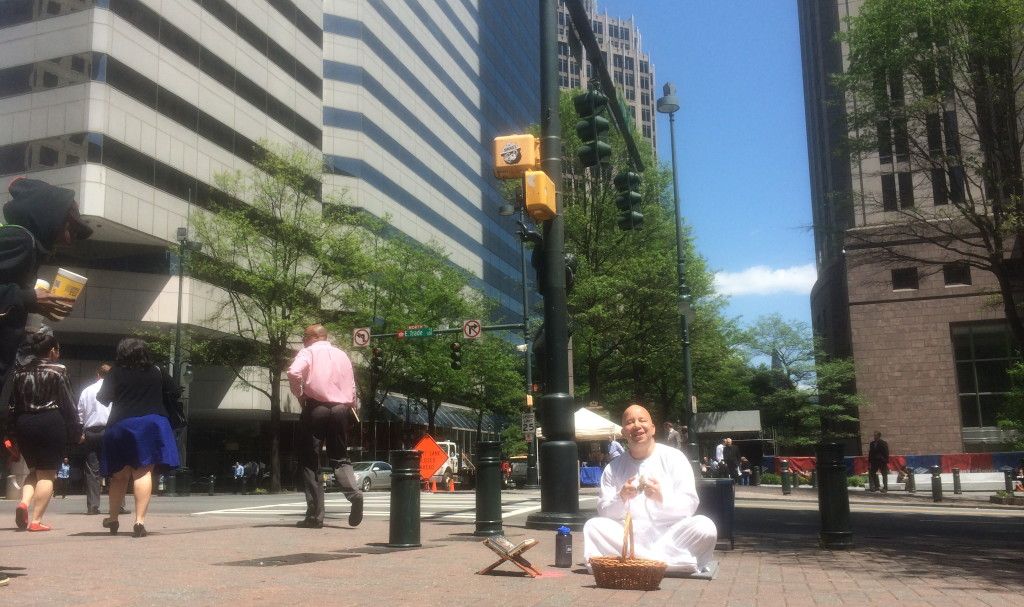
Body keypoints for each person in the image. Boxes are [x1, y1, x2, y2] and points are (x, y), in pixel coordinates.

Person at [583, 405, 717, 574]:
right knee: (593, 526)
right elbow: (604, 512)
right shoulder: (613, 468)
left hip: (670, 535)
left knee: (705, 526)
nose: (637, 425)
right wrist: (621, 497)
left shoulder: (675, 458)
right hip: (630, 538)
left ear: (653, 429)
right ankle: (665, 564)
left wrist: (662, 498)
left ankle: (640, 562)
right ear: (623, 433)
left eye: (642, 420)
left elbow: (690, 504)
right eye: (630, 422)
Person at [96, 338, 180, 538]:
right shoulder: (157, 371)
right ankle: (139, 521)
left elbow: (103, 398)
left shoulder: (115, 372)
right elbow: (175, 392)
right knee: (143, 473)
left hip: (121, 424)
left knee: (119, 476)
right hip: (151, 424)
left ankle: (113, 518)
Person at [287, 324, 362, 529]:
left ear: (313, 337)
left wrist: (300, 394)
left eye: (304, 336)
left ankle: (315, 515)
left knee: (309, 460)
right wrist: (351, 405)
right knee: (339, 456)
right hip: (340, 409)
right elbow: (352, 386)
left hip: (316, 409)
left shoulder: (308, 352)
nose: (303, 340)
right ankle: (354, 494)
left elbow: (293, 372)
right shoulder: (342, 355)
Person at [8, 328, 82, 532]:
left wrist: (11, 433)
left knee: (34, 470)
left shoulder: (19, 372)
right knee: (48, 474)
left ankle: (23, 502)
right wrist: (76, 429)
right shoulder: (58, 370)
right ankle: (36, 520)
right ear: (51, 351)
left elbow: (12, 405)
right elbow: (68, 403)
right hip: (50, 421)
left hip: (24, 423)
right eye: (57, 350)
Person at [76, 362, 113, 515]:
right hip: (111, 430)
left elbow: (80, 414)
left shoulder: (86, 391)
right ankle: (118, 505)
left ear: (97, 375)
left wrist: (80, 432)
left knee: (92, 470)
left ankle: (92, 506)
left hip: (91, 432)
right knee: (115, 468)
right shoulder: (115, 390)